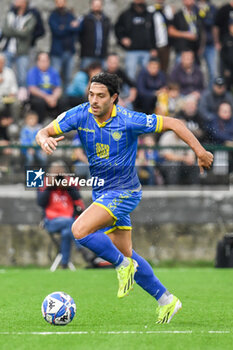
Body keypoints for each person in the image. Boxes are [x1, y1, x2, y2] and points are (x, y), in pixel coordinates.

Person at [36, 72, 213, 324]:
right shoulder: (80, 114)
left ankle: (121, 265)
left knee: (79, 230)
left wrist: (200, 151)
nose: (94, 100)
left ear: (114, 98)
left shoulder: (130, 120)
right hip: (102, 193)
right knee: (127, 253)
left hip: (125, 192)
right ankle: (166, 299)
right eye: (91, 94)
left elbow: (175, 123)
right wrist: (44, 138)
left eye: (100, 96)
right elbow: (44, 131)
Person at [37, 161, 85, 268]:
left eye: (60, 171)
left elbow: (77, 198)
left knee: (67, 232)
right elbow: (40, 202)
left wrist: (67, 185)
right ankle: (82, 248)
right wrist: (50, 185)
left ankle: (64, 263)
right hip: (51, 221)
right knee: (70, 224)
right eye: (55, 171)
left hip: (68, 219)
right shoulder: (44, 182)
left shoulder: (70, 182)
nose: (58, 174)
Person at [115, 0, 155, 81]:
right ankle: (129, 93)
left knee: (147, 75)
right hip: (132, 51)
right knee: (130, 74)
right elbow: (117, 28)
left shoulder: (149, 14)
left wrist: (153, 47)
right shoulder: (126, 14)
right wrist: (122, 38)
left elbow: (153, 32)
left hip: (146, 51)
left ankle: (145, 93)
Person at [0, 0, 37, 89]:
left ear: (25, 3)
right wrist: (20, 30)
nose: (15, 1)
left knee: (22, 78)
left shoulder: (30, 17)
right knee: (5, 75)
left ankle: (22, 99)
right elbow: (5, 30)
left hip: (22, 51)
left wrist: (12, 30)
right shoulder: (10, 15)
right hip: (8, 49)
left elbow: (26, 33)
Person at [27, 51, 67, 123]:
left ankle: (60, 124)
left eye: (46, 60)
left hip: (52, 97)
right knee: (39, 103)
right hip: (39, 97)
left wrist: (54, 97)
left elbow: (58, 88)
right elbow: (32, 89)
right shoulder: (33, 72)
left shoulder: (54, 72)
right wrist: (47, 97)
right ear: (37, 62)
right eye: (42, 61)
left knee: (63, 101)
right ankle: (40, 124)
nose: (44, 63)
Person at [48, 0, 80, 90]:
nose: (60, 3)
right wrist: (70, 27)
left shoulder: (70, 15)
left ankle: (67, 100)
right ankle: (55, 100)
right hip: (57, 53)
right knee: (55, 78)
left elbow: (77, 28)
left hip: (69, 51)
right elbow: (57, 31)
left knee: (68, 78)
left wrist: (63, 27)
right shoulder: (53, 16)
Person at [78, 0, 111, 69]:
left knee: (102, 78)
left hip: (102, 55)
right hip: (87, 55)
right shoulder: (85, 19)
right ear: (91, 6)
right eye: (95, 5)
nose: (97, 7)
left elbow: (107, 35)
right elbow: (79, 34)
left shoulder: (106, 20)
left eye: (99, 5)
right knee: (86, 76)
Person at [148, 0, 174, 72]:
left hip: (165, 44)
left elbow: (171, 24)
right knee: (153, 68)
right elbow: (148, 30)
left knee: (164, 68)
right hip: (154, 45)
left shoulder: (168, 9)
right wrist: (151, 47)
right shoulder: (150, 10)